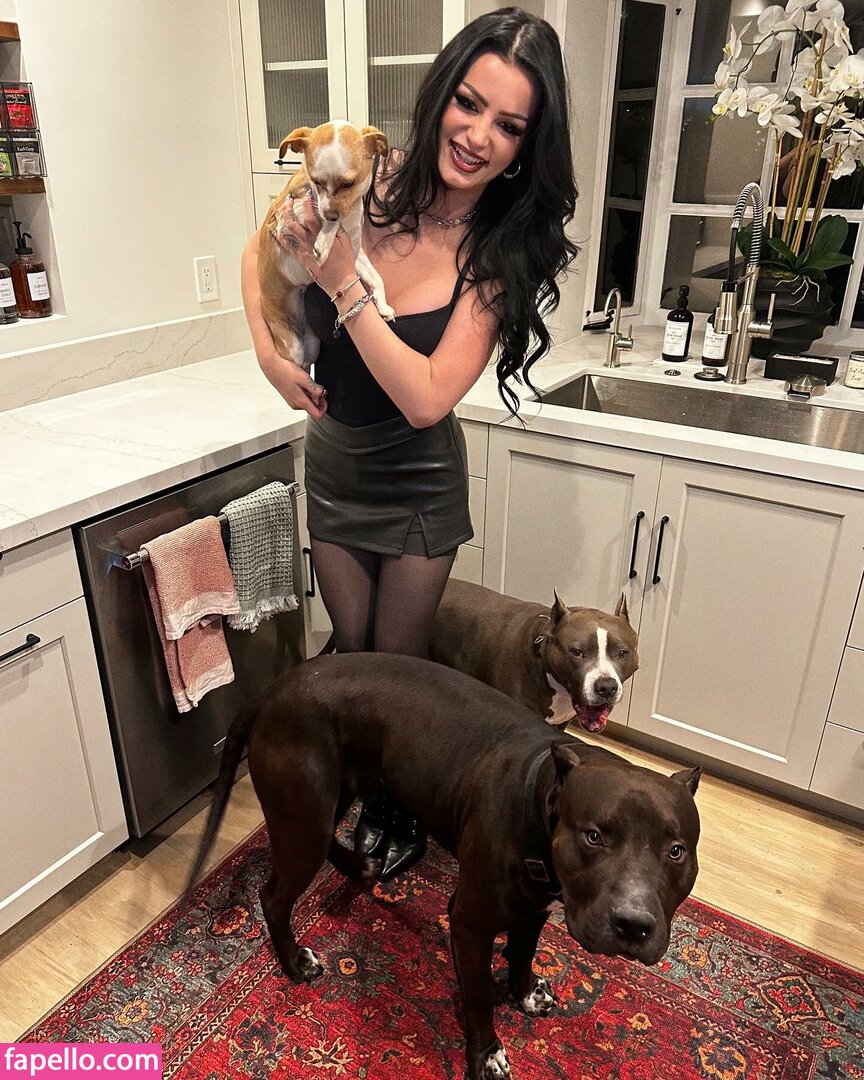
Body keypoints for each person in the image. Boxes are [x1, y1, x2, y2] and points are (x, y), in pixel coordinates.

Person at [240, 6, 578, 881]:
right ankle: (354, 781)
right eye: (469, 103)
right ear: (441, 96)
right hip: (336, 464)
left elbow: (426, 399)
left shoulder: (499, 252)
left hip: (417, 483)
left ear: (526, 147)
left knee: (396, 666)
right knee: (352, 650)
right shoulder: (365, 183)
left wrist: (344, 284)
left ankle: (397, 803)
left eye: (509, 125)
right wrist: (271, 357)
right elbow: (258, 249)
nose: (478, 135)